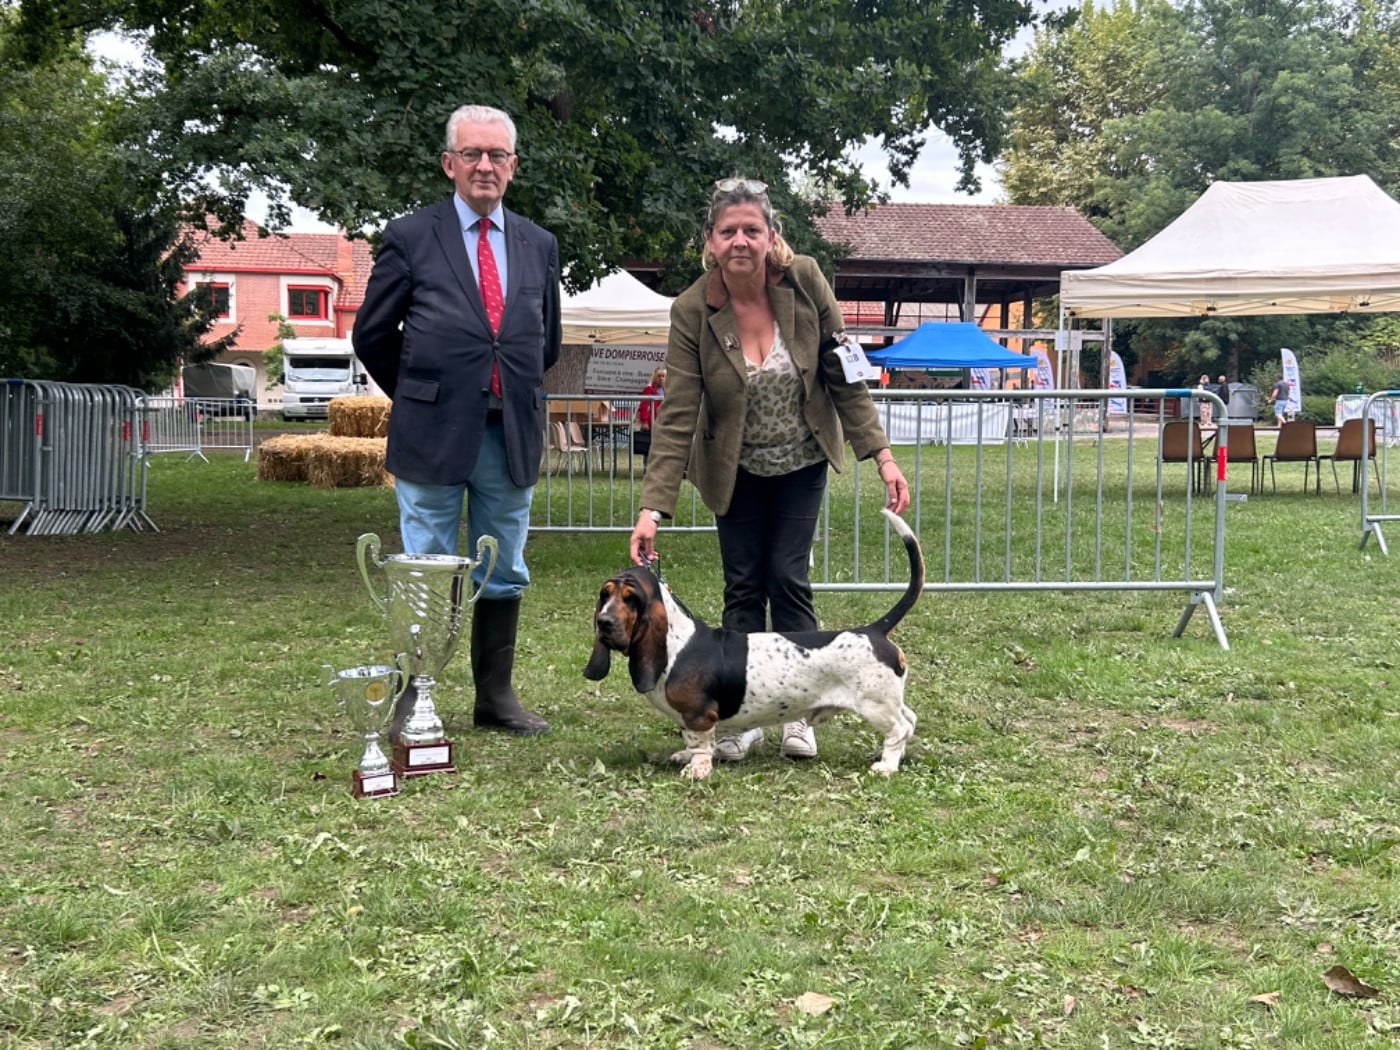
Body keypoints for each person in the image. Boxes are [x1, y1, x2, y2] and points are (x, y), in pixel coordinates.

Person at [628, 177, 911, 763]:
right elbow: (678, 414)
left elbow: (846, 376)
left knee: (788, 579)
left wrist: (880, 455)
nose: (740, 240)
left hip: (802, 459)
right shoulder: (691, 310)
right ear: (710, 240)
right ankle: (735, 718)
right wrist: (651, 509)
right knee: (742, 587)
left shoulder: (805, 282)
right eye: (727, 231)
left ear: (770, 235)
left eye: (751, 230)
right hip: (732, 469)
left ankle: (800, 717)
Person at [354, 103, 560, 737]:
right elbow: (372, 333)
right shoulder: (411, 236)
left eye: (497, 155)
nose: (485, 166)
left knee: (505, 566)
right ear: (449, 163)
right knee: (427, 565)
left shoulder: (538, 243)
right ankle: (415, 701)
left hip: (510, 432)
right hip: (433, 434)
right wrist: (423, 395)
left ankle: (494, 697)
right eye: (471, 154)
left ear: (513, 166)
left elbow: (545, 341)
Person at [632, 366, 665, 468]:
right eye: (659, 376)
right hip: (651, 421)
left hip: (663, 421)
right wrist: (645, 421)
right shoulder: (649, 389)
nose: (661, 378)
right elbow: (644, 405)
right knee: (649, 445)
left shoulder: (666, 389)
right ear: (655, 376)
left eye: (664, 376)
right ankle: (647, 467)